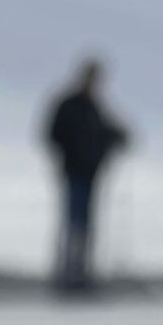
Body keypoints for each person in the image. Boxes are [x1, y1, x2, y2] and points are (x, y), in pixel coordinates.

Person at [42, 57, 129, 295]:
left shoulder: (94, 108)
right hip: (74, 174)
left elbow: (107, 133)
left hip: (92, 175)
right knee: (74, 225)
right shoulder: (69, 105)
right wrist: (71, 156)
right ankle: (69, 277)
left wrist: (118, 139)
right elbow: (52, 135)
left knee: (87, 226)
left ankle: (82, 275)